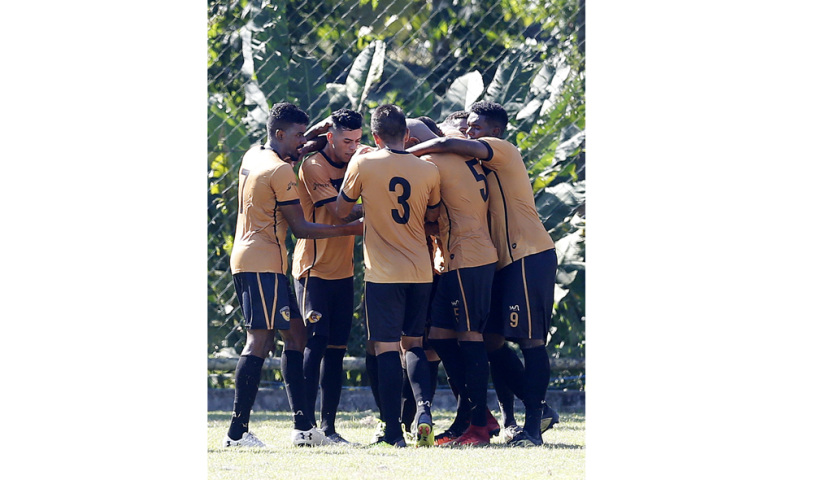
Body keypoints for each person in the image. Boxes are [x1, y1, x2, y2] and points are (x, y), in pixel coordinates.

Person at [408, 100, 559, 447]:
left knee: (532, 343)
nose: (470, 132)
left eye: (476, 127)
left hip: (529, 255)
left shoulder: (502, 150)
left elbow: (445, 143)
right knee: (490, 341)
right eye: (468, 126)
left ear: (495, 131)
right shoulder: (472, 163)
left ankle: (533, 428)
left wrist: (405, 153)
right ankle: (496, 417)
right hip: (500, 262)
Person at [223, 102, 362, 448]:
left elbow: (289, 149)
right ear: (280, 134)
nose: (303, 142)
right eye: (298, 136)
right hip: (261, 262)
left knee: (296, 335)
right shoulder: (281, 172)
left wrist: (310, 137)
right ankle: (237, 433)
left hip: (258, 260)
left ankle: (303, 428)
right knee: (259, 340)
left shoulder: (254, 155)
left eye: (306, 134)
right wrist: (354, 229)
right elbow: (301, 228)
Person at [335, 104, 441, 448]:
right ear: (408, 136)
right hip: (420, 270)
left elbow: (340, 210)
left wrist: (372, 205)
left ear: (376, 137)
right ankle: (424, 412)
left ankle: (393, 430)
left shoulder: (363, 162)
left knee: (384, 347)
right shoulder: (428, 169)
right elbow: (434, 213)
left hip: (383, 274)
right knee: (413, 344)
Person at [405, 119, 501, 446]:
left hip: (469, 258)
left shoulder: (431, 164)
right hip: (456, 259)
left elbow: (426, 215)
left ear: (411, 140)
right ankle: (477, 414)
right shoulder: (462, 154)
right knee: (441, 336)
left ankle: (478, 427)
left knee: (470, 337)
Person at [292, 108, 365, 445]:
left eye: (358, 140)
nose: (352, 147)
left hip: (344, 271)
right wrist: (376, 208)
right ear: (331, 136)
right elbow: (340, 209)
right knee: (315, 345)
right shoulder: (313, 165)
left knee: (336, 351)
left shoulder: (357, 161)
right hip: (314, 270)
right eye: (346, 140)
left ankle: (329, 428)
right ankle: (304, 427)